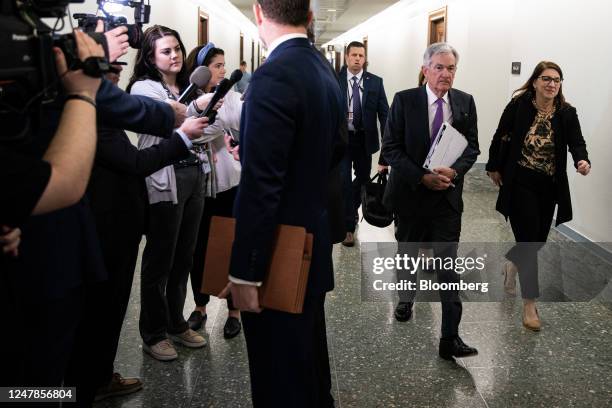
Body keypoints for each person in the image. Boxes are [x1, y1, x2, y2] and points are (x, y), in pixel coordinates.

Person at [221, 0, 343, 406]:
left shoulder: (273, 75)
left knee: (279, 377)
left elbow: (260, 189)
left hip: (279, 256)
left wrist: (244, 272)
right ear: (309, 17)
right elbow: (333, 151)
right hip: (311, 240)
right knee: (306, 366)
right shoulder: (322, 69)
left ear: (258, 13)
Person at [382, 42, 480, 360]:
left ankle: (449, 337)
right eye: (439, 67)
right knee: (408, 253)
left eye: (451, 68)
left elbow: (472, 148)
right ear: (425, 70)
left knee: (448, 266)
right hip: (411, 194)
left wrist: (454, 171)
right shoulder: (404, 101)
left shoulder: (465, 102)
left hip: (446, 199)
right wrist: (422, 176)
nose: (445, 74)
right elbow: (391, 149)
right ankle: (405, 298)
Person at [485, 61, 590, 331]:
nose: (552, 84)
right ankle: (530, 304)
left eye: (556, 79)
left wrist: (581, 160)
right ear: (535, 82)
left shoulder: (566, 113)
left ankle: (511, 265)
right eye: (546, 78)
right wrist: (493, 166)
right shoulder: (519, 106)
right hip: (520, 182)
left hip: (549, 186)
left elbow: (577, 142)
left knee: (536, 241)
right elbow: (501, 135)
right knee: (529, 244)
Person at [128, 25, 210, 361]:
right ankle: (153, 332)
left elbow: (201, 128)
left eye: (177, 48)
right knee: (160, 258)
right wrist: (195, 109)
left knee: (184, 257)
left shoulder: (187, 84)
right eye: (166, 51)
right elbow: (165, 123)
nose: (175, 55)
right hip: (165, 177)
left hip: (194, 174)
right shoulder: (142, 88)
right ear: (150, 57)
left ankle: (176, 323)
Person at [185, 43, 244, 339]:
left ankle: (235, 311)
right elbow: (189, 133)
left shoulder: (233, 97)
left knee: (231, 246)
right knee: (199, 247)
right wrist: (210, 127)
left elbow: (238, 126)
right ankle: (199, 305)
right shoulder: (188, 99)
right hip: (198, 186)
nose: (222, 71)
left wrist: (206, 127)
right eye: (217, 66)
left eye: (224, 65)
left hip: (229, 183)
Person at [338, 41, 389, 246]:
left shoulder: (375, 82)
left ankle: (349, 210)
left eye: (361, 55)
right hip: (341, 140)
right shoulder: (335, 80)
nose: (358, 59)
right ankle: (349, 226)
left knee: (363, 180)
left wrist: (387, 148)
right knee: (342, 181)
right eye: (354, 55)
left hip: (364, 140)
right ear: (347, 57)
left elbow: (384, 114)